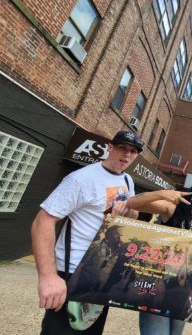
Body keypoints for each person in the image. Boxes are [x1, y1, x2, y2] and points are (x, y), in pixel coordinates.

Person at [31, 130, 143, 335]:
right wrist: (48, 277)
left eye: (133, 151)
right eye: (122, 148)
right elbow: (43, 221)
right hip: (73, 272)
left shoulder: (127, 181)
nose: (127, 154)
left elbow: (132, 217)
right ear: (110, 147)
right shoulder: (81, 179)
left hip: (101, 274)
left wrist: (130, 211)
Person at [125, 176, 192, 335]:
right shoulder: (172, 208)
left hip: (182, 289)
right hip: (158, 285)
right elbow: (132, 202)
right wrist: (162, 193)